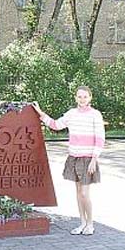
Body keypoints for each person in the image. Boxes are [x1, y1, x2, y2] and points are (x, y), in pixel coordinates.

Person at [32, 86, 105, 236]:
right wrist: (41, 113)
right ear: (75, 98)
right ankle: (82, 223)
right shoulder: (71, 114)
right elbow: (56, 125)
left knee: (85, 193)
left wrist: (94, 159)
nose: (82, 99)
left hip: (87, 159)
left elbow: (100, 138)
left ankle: (90, 224)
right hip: (73, 157)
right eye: (79, 96)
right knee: (78, 192)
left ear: (90, 98)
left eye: (85, 96)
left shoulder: (95, 115)